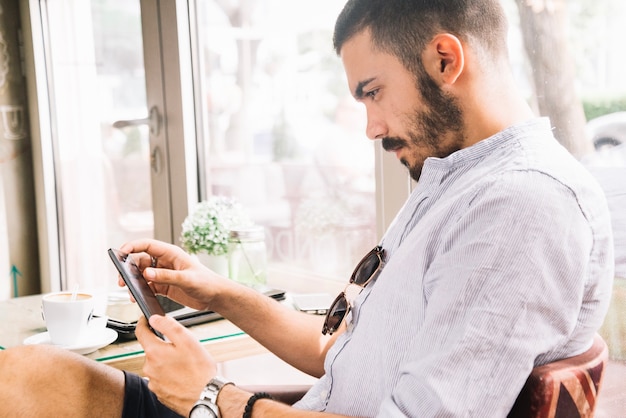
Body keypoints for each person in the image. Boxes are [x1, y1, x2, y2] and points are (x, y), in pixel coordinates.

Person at [0, 0, 614, 416]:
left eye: (373, 93)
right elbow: (337, 353)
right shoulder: (453, 181)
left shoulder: (523, 206)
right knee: (26, 375)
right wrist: (218, 293)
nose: (370, 127)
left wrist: (212, 394)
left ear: (445, 60)